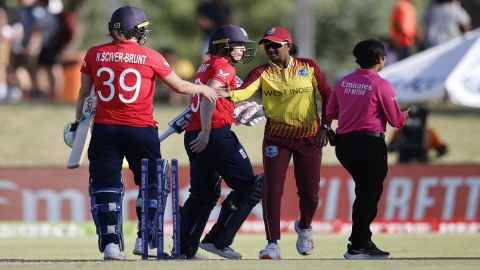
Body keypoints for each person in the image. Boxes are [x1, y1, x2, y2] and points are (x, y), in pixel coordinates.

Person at [69, 6, 217, 260]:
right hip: (141, 130)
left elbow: (84, 94)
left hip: (104, 129)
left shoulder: (94, 54)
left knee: (106, 187)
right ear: (136, 31)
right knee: (153, 185)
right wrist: (203, 90)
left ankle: (111, 245)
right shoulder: (151, 56)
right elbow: (179, 86)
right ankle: (143, 239)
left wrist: (77, 124)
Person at [219, 26, 332, 259]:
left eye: (275, 45)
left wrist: (326, 127)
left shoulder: (308, 67)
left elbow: (329, 96)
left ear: (288, 45)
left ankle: (305, 227)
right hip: (276, 139)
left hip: (309, 137)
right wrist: (219, 91)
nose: (270, 49)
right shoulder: (261, 72)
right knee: (272, 191)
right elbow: (241, 92)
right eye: (267, 46)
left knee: (310, 194)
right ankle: (272, 244)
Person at [180, 24, 263, 260]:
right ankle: (218, 241)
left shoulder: (205, 65)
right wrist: (207, 132)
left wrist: (232, 114)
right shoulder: (221, 66)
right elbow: (210, 96)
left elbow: (203, 100)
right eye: (238, 45)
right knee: (250, 186)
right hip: (213, 134)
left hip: (195, 133)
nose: (242, 51)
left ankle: (184, 248)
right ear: (224, 45)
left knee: (203, 193)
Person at [326, 39, 409, 259]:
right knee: (369, 195)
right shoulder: (382, 84)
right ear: (381, 59)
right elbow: (396, 121)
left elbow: (330, 113)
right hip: (369, 144)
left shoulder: (342, 82)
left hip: (344, 146)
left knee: (364, 193)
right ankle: (358, 245)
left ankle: (362, 241)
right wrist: (406, 114)